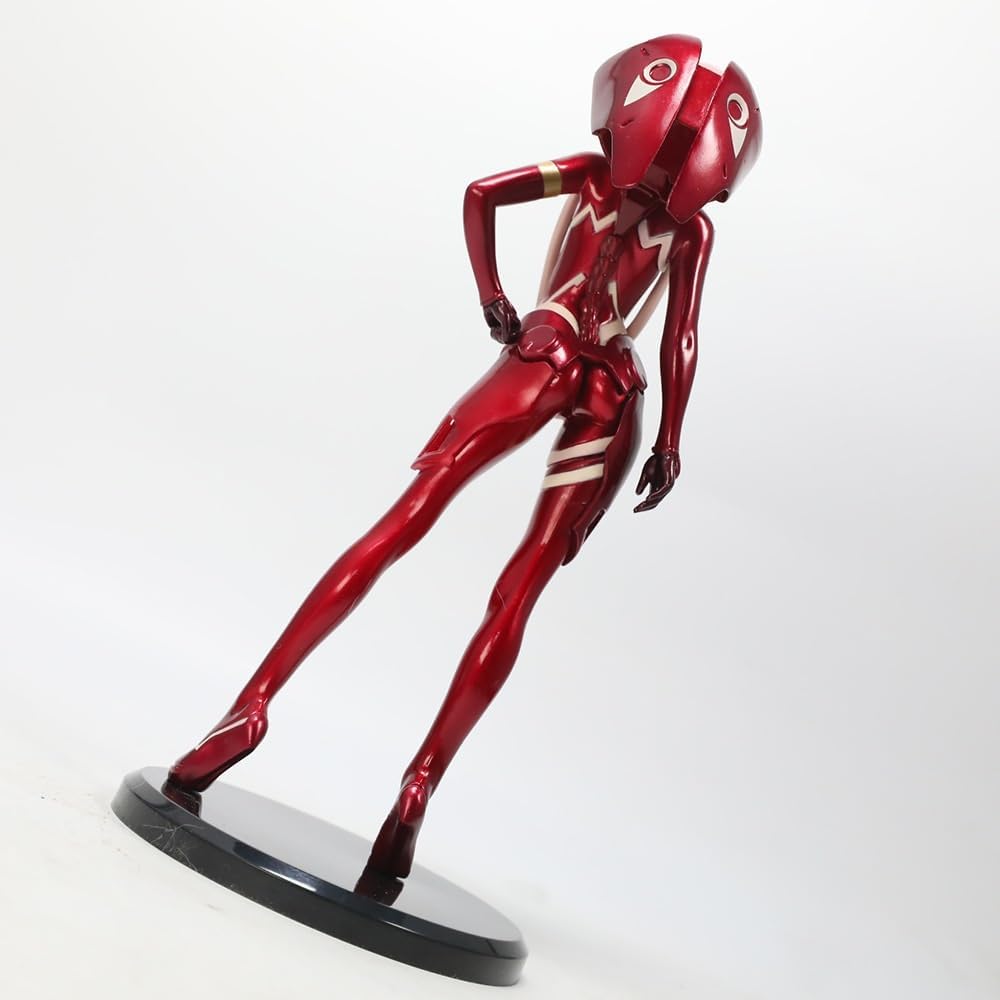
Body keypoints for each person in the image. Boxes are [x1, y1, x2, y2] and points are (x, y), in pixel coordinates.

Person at [166, 34, 762, 879]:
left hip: (548, 349)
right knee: (517, 595)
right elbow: (681, 336)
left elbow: (481, 194)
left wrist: (495, 297)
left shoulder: (590, 176)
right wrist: (670, 436)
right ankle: (420, 784)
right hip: (616, 388)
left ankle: (250, 708)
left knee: (406, 521)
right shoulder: (690, 230)